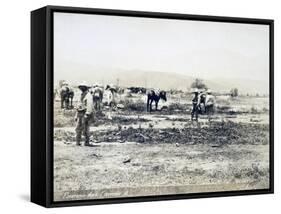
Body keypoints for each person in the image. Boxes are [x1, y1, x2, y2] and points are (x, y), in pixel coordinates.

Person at [75, 81, 94, 146]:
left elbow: (89, 105)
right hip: (79, 113)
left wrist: (87, 113)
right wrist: (76, 115)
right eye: (81, 87)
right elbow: (78, 105)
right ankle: (78, 142)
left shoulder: (88, 95)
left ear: (86, 88)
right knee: (78, 128)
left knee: (86, 128)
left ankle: (87, 142)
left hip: (85, 113)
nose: (81, 88)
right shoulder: (81, 95)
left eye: (83, 87)